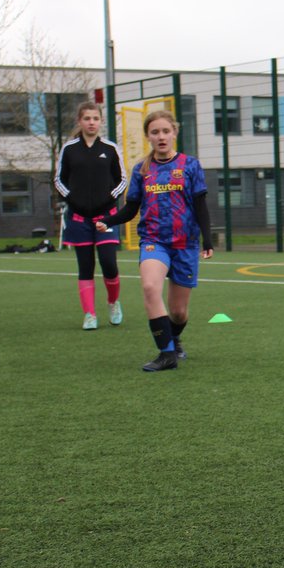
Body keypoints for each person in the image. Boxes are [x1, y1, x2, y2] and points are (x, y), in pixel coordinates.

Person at [97, 111, 213, 372]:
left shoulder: (190, 165)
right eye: (155, 132)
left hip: (185, 244)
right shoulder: (142, 169)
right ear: (148, 136)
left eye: (165, 131)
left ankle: (174, 337)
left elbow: (200, 205)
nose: (161, 137)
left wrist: (208, 239)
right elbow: (130, 209)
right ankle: (166, 355)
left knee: (179, 312)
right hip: (153, 240)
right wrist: (109, 220)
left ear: (174, 133)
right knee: (150, 287)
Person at [55, 101, 127, 330]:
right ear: (80, 121)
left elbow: (122, 179)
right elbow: (58, 180)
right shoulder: (69, 149)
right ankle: (90, 314)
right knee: (85, 267)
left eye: (95, 118)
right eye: (87, 118)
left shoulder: (110, 148)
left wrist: (109, 199)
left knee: (109, 263)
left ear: (101, 121)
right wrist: (72, 199)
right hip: (78, 218)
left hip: (106, 218)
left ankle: (113, 302)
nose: (91, 122)